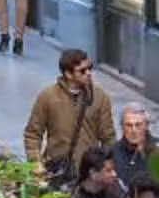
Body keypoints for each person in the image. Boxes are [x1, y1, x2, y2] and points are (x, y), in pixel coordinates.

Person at [22, 47, 116, 183]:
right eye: (82, 71)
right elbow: (33, 133)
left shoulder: (100, 97)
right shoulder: (48, 96)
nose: (88, 73)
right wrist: (36, 162)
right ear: (68, 74)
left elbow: (108, 137)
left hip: (87, 173)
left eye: (90, 67)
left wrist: (106, 169)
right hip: (56, 170)